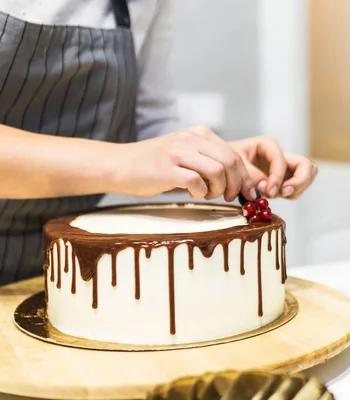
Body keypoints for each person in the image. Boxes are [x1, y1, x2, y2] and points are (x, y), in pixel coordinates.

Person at [0, 0, 318, 285]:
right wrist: (125, 162)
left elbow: (150, 122)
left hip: (60, 276)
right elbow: (133, 159)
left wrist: (213, 161)